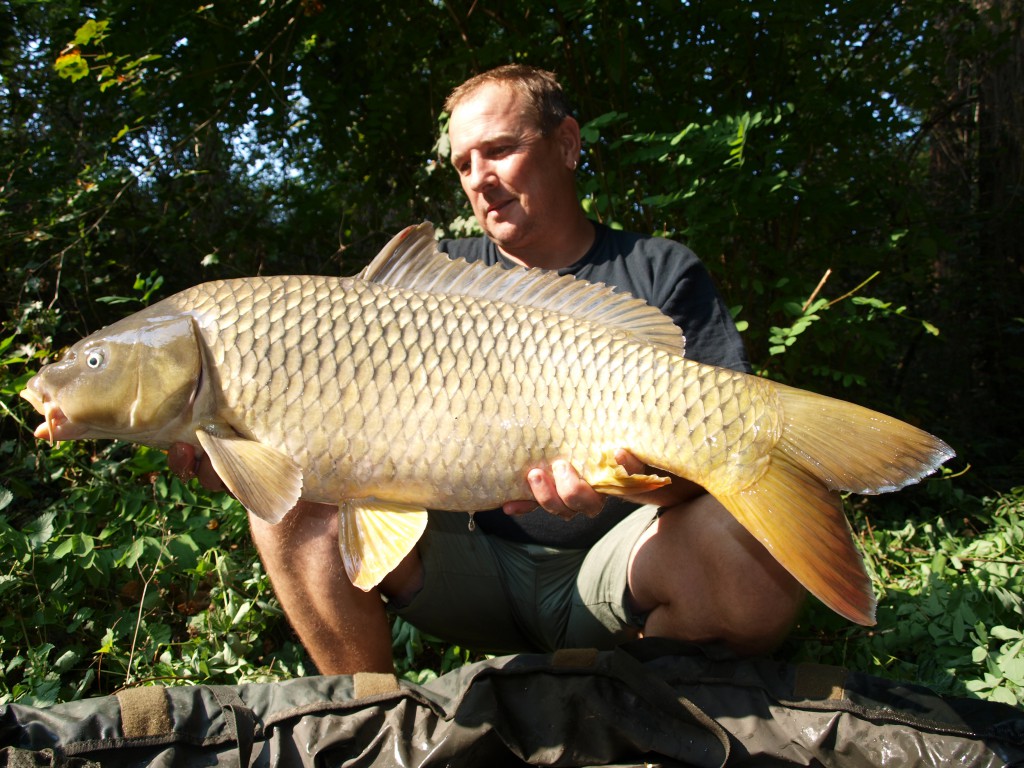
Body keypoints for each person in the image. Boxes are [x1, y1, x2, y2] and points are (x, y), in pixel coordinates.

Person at [168, 64, 804, 675]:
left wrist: (636, 483)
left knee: (752, 551)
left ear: (567, 143)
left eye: (498, 150)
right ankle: (372, 716)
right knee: (297, 499)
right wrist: (241, 462)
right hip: (470, 563)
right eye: (463, 163)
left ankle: (642, 696)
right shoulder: (434, 284)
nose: (479, 178)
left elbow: (718, 465)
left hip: (626, 566)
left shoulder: (659, 272)